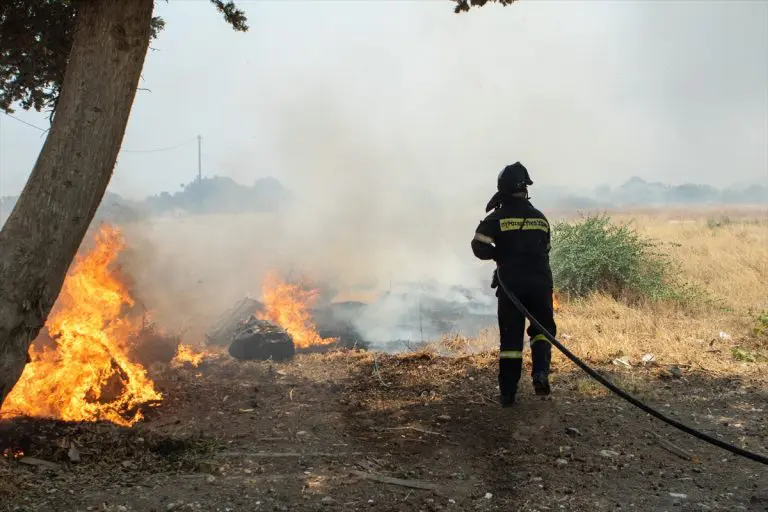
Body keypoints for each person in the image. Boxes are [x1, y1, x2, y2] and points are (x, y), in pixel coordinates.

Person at [470, 162, 557, 407]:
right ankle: (540, 373)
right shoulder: (540, 218)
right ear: (524, 189)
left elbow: (478, 245)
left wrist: (499, 255)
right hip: (540, 284)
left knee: (510, 341)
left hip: (512, 287)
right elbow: (546, 249)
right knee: (542, 331)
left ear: (503, 188)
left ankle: (508, 392)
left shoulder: (497, 217)